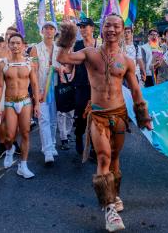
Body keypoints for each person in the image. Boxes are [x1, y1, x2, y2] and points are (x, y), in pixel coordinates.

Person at [57, 14, 152, 232]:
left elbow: (136, 91)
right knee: (103, 157)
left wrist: (144, 117)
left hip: (119, 115)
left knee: (115, 160)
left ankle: (114, 194)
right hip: (98, 115)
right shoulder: (90, 54)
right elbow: (64, 58)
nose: (111, 29)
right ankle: (109, 208)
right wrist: (68, 34)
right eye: (107, 25)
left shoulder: (126, 61)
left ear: (122, 30)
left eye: (115, 26)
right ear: (101, 29)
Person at [0, 33, 40, 179]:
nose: (15, 46)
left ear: (22, 45)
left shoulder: (29, 63)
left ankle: (23, 165)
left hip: (25, 101)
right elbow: (0, 87)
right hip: (9, 102)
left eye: (17, 43)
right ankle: (9, 150)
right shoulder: (3, 64)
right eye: (12, 43)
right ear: (8, 44)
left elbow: (34, 84)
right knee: (9, 136)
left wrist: (37, 104)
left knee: (25, 133)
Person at [29, 21, 61, 166]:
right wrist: (37, 93)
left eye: (51, 28)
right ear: (42, 31)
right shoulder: (35, 48)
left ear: (55, 31)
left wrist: (60, 69)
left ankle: (52, 144)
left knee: (54, 120)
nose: (48, 31)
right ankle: (47, 151)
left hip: (56, 89)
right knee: (44, 119)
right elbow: (33, 72)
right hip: (41, 89)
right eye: (46, 28)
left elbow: (65, 67)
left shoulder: (59, 49)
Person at [0, 27, 21, 159]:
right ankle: (2, 144)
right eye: (7, 34)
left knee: (15, 117)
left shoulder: (20, 52)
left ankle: (13, 142)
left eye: (12, 34)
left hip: (15, 89)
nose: (9, 36)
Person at [72, 17, 96, 155]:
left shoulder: (100, 45)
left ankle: (94, 146)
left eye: (85, 26)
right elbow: (70, 64)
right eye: (80, 27)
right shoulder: (77, 45)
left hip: (97, 87)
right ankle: (78, 136)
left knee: (96, 115)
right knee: (82, 115)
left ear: (92, 28)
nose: (82, 29)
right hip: (81, 85)